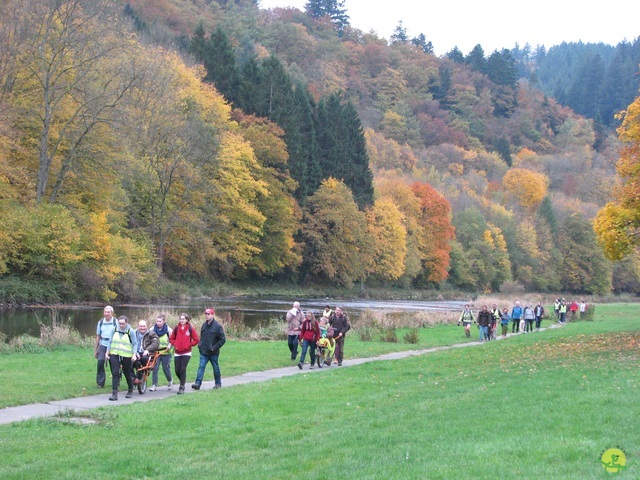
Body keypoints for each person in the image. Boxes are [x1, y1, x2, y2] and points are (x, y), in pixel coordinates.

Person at [106, 316, 138, 401]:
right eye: (120, 323)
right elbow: (110, 341)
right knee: (115, 373)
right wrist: (107, 352)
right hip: (114, 353)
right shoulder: (114, 329)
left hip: (126, 355)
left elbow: (135, 343)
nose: (121, 325)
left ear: (126, 323)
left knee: (127, 372)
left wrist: (134, 354)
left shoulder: (131, 331)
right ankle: (114, 393)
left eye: (123, 323)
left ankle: (130, 389)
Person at [192, 308, 226, 390]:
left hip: (213, 352)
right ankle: (198, 383)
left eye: (208, 314)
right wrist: (200, 345)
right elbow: (202, 337)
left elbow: (222, 339)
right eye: (206, 314)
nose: (207, 316)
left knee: (215, 368)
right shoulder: (204, 325)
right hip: (204, 351)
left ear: (212, 315)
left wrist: (214, 348)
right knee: (201, 366)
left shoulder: (218, 326)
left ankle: (218, 383)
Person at [170, 313, 200, 394]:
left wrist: (189, 344)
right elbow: (171, 338)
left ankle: (181, 387)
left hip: (186, 352)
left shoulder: (190, 328)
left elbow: (196, 339)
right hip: (177, 352)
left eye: (183, 319)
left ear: (187, 320)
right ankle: (183, 381)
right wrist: (175, 344)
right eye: (180, 319)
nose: (181, 320)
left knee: (183, 369)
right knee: (177, 370)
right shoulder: (176, 328)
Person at [94, 305, 117, 388]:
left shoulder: (116, 322)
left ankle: (115, 383)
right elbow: (98, 336)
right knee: (100, 362)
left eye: (108, 312)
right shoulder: (100, 322)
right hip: (103, 344)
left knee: (113, 364)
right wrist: (96, 350)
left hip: (113, 345)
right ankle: (100, 383)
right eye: (105, 312)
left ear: (112, 313)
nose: (106, 314)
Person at [150, 314, 173, 391]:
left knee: (165, 368)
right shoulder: (152, 329)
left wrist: (169, 345)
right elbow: (148, 338)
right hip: (156, 352)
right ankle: (154, 385)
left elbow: (172, 340)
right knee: (155, 368)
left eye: (160, 321)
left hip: (166, 352)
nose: (158, 323)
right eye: (157, 321)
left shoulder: (168, 330)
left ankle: (170, 381)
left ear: (164, 321)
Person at [133, 320, 159, 385]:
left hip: (146, 353)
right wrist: (135, 352)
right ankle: (133, 378)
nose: (142, 328)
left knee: (144, 359)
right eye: (141, 326)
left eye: (144, 326)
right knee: (128, 363)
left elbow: (155, 343)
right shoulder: (133, 333)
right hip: (135, 352)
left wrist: (147, 350)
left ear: (146, 326)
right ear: (138, 326)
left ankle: (139, 377)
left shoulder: (152, 334)